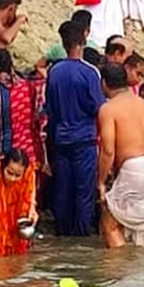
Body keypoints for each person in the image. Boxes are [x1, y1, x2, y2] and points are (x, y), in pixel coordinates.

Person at [96, 62, 144, 248]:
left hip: (136, 168)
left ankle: (121, 273)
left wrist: (100, 181)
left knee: (110, 224)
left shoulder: (108, 109)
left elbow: (108, 150)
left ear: (104, 83)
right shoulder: (143, 104)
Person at [45, 17, 106, 236]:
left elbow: (49, 109)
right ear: (83, 43)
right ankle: (81, 237)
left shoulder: (54, 72)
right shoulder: (90, 73)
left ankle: (62, 233)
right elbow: (99, 108)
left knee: (62, 190)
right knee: (83, 193)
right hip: (85, 139)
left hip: (60, 139)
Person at [0, 47, 46, 165]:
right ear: (10, 65)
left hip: (3, 160)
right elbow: (40, 118)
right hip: (30, 155)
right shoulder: (29, 86)